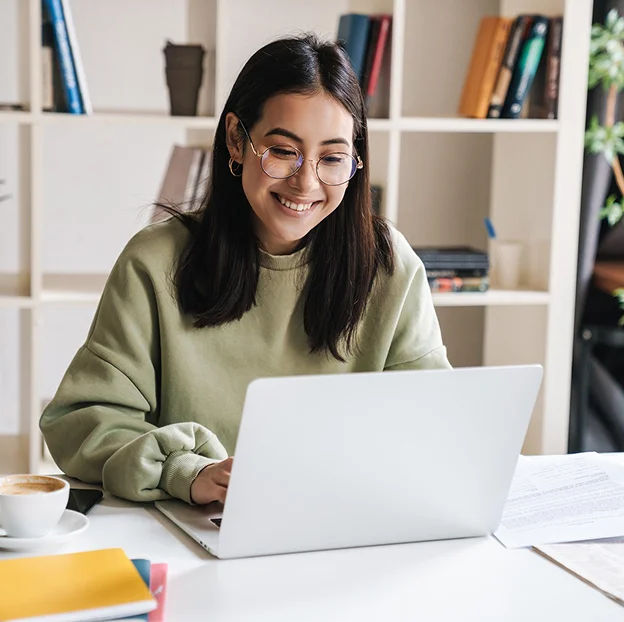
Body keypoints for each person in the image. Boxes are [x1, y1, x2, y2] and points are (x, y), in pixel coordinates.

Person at [40, 33, 451, 507]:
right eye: (282, 151)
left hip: (345, 524)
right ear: (237, 139)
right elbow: (82, 420)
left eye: (332, 158)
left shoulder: (389, 266)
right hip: (194, 527)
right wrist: (184, 471)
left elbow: (432, 422)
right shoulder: (155, 263)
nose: (306, 182)